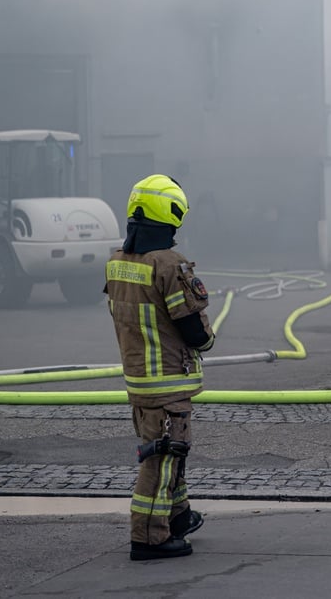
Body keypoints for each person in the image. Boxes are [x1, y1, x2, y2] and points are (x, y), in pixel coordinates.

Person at [104, 174, 215, 560]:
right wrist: (208, 339)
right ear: (172, 215)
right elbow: (195, 331)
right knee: (162, 462)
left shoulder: (118, 262)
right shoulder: (169, 264)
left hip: (139, 383)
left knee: (171, 457)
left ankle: (178, 517)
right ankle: (149, 537)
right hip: (168, 384)